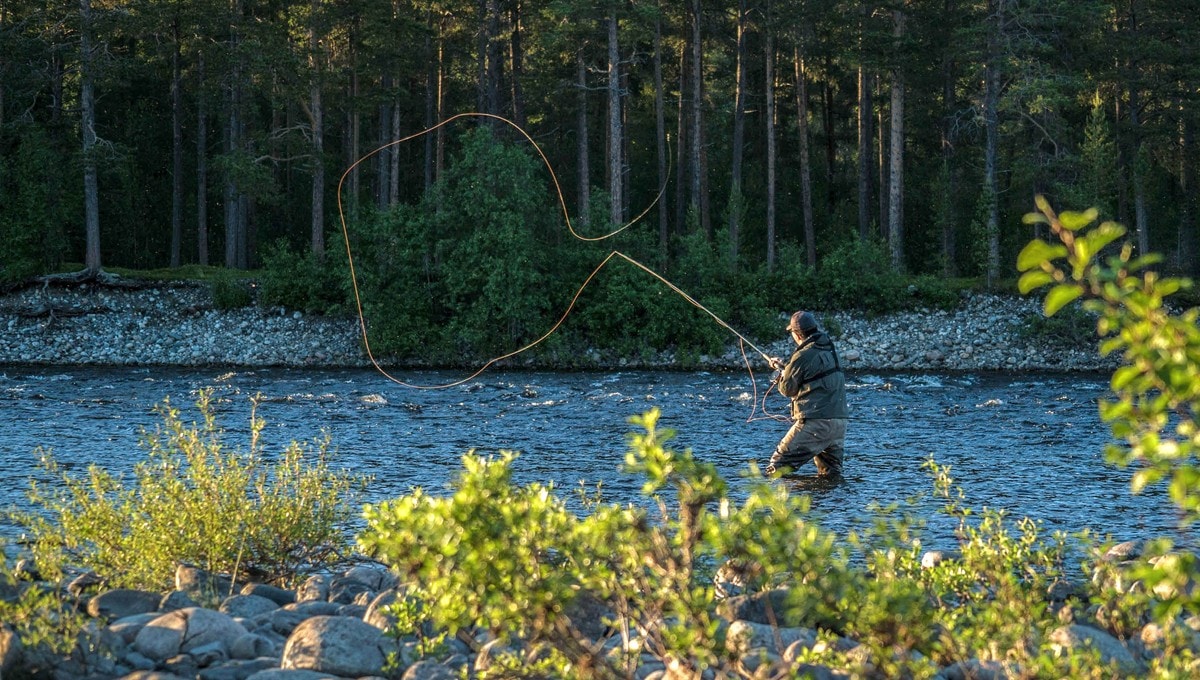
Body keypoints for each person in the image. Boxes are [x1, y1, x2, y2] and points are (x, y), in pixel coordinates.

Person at [765, 311, 848, 477]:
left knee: (777, 468)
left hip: (816, 423)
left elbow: (787, 389)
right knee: (830, 476)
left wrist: (780, 375)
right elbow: (814, 373)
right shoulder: (830, 349)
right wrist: (786, 368)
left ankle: (782, 502)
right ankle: (833, 503)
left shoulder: (802, 355)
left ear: (796, 334)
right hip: (839, 424)